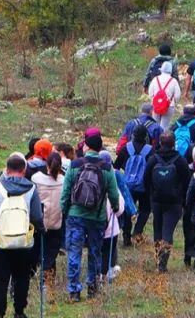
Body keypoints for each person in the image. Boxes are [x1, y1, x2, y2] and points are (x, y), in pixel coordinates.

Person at [0, 153, 44, 318]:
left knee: (1, 280)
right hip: (24, 242)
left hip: (0, 242)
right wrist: (41, 230)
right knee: (22, 278)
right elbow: (37, 217)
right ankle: (19, 312)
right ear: (24, 171)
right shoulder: (32, 189)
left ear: (7, 171)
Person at [61, 134, 120, 302]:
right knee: (95, 252)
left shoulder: (74, 165)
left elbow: (66, 191)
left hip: (75, 215)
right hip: (97, 216)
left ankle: (74, 290)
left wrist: (64, 209)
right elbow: (113, 193)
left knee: (74, 251)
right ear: (100, 148)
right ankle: (92, 286)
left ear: (86, 146)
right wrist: (115, 208)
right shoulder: (107, 168)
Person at [143, 131, 192, 272]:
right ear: (174, 143)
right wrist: (184, 200)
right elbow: (187, 182)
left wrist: (151, 196)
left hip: (157, 201)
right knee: (167, 231)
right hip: (174, 202)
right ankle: (162, 264)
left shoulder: (153, 160)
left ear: (160, 143)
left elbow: (145, 180)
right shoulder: (180, 161)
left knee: (157, 230)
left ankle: (158, 260)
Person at [113, 124, 153, 246]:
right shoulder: (151, 150)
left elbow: (116, 166)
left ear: (133, 135)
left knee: (127, 210)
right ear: (146, 136)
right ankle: (137, 231)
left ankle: (126, 235)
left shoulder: (126, 148)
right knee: (145, 209)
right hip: (145, 186)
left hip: (128, 185)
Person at [98, 150, 130, 284]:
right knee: (108, 251)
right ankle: (105, 274)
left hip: (92, 224)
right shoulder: (112, 184)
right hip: (110, 226)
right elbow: (120, 208)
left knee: (95, 250)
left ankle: (94, 273)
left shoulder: (89, 180)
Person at [32, 152, 66, 278]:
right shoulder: (64, 181)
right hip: (57, 222)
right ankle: (48, 279)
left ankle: (33, 272)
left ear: (47, 164)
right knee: (51, 252)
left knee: (35, 249)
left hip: (39, 222)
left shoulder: (36, 179)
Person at [149, 63, 183, 130]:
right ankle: (163, 136)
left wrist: (154, 100)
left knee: (155, 125)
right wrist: (173, 102)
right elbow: (177, 96)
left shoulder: (155, 79)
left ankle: (155, 136)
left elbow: (150, 93)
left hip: (156, 105)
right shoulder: (174, 81)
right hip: (169, 106)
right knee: (164, 126)